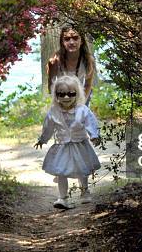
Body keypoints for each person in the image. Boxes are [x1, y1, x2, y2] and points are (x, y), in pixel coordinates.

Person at [34, 75, 101, 209]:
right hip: (62, 147)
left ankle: (84, 191)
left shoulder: (82, 110)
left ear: (77, 94)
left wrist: (94, 135)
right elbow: (48, 127)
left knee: (82, 170)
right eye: (61, 94)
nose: (66, 97)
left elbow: (90, 123)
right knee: (61, 172)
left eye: (71, 94)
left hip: (80, 145)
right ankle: (62, 197)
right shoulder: (53, 111)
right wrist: (43, 139)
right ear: (56, 95)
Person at [46, 25, 97, 104]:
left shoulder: (88, 60)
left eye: (76, 38)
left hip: (81, 97)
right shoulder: (55, 61)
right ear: (62, 42)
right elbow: (51, 85)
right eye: (67, 39)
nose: (71, 42)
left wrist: (81, 104)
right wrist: (58, 102)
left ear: (82, 41)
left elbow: (88, 85)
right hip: (62, 98)